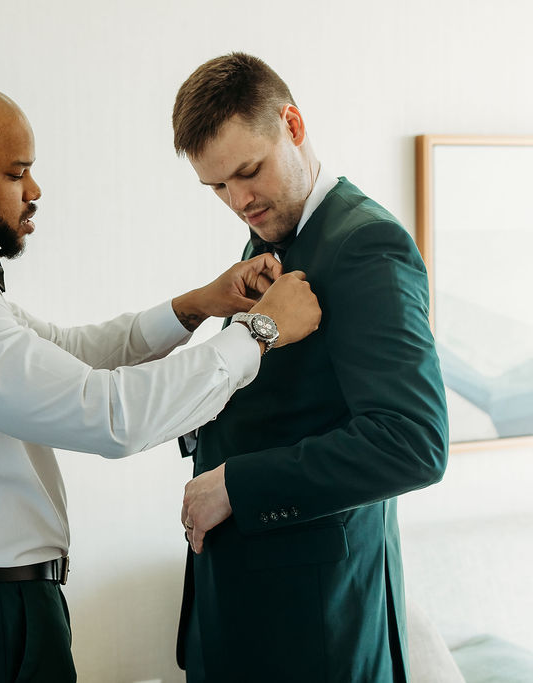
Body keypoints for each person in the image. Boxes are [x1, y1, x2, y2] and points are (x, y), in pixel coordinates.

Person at [0, 80, 321, 683]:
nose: (35, 191)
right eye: (18, 174)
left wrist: (199, 305)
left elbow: (64, 351)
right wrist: (257, 333)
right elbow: (110, 418)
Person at [172, 53, 449, 682]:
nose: (239, 200)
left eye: (248, 172)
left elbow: (413, 443)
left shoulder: (366, 247)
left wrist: (236, 485)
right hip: (256, 613)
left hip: (316, 632)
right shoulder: (270, 233)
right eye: (217, 187)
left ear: (292, 125)